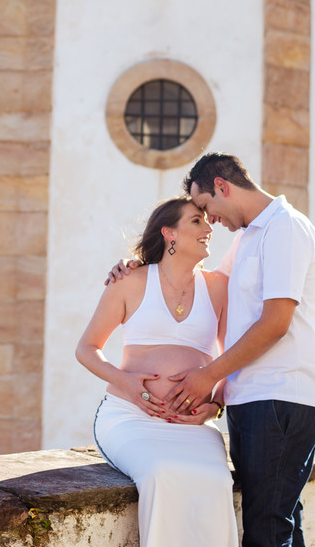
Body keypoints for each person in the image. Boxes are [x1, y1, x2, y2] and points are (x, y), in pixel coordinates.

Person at [108, 153, 315, 547]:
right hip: (254, 398)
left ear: (223, 187)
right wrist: (136, 264)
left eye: (207, 207)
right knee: (278, 521)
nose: (211, 221)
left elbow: (276, 322)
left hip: (282, 397)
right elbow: (193, 274)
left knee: (267, 530)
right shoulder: (251, 237)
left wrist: (209, 378)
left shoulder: (286, 229)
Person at [77, 197, 239, 547]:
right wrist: (125, 382)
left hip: (192, 425)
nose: (209, 229)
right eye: (197, 221)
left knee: (217, 479)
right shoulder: (130, 280)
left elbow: (233, 359)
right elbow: (86, 348)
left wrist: (215, 406)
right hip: (129, 417)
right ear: (170, 234)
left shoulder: (219, 288)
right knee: (160, 473)